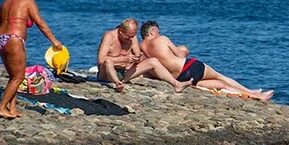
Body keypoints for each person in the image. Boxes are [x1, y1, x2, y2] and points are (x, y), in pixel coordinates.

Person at [0, 0, 63, 119]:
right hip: (14, 39)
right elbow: (40, 23)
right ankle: (1, 108)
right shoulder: (28, 2)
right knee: (19, 77)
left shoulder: (6, 2)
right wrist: (54, 41)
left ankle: (12, 108)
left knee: (13, 76)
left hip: (0, 39)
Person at [139, 20, 273, 100]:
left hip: (179, 79)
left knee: (221, 85)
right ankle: (250, 91)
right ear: (152, 31)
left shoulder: (140, 47)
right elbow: (180, 55)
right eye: (158, 31)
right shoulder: (162, 39)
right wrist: (182, 48)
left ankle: (255, 96)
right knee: (221, 77)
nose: (159, 33)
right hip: (188, 67)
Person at [97, 18, 191, 93]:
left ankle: (176, 84)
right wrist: (124, 58)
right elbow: (101, 59)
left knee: (153, 61)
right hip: (107, 74)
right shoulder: (109, 36)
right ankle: (117, 84)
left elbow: (139, 54)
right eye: (128, 36)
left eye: (133, 36)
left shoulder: (132, 37)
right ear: (120, 31)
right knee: (108, 62)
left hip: (124, 72)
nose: (130, 38)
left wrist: (138, 58)